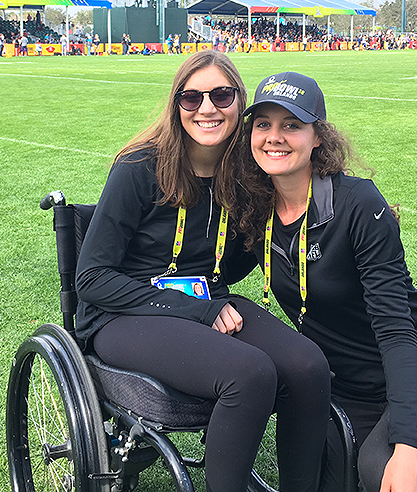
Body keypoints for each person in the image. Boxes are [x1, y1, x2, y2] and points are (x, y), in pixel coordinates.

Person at [75, 51, 331, 492]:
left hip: (207, 299)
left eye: (221, 95)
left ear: (240, 103)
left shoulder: (247, 172)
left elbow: (233, 259)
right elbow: (92, 278)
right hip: (124, 314)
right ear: (176, 106)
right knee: (249, 373)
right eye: (191, 97)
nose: (207, 108)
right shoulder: (139, 166)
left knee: (308, 366)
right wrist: (194, 310)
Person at [231, 72, 417, 492]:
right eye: (263, 124)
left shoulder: (357, 204)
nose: (274, 137)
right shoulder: (255, 212)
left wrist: (407, 443)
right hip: (350, 388)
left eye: (292, 125)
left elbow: (395, 327)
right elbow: (212, 270)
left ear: (317, 137)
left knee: (383, 468)